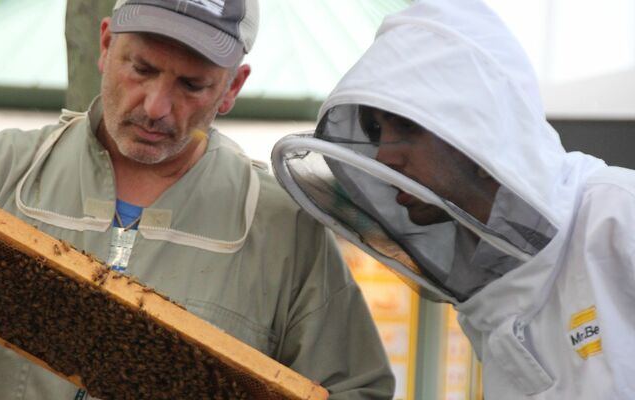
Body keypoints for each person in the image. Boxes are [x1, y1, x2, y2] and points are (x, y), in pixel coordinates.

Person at [0, 0, 395, 399]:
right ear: (105, 45)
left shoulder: (284, 227)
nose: (155, 105)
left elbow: (354, 387)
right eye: (141, 68)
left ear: (232, 88)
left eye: (191, 85)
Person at [271, 0, 635, 399]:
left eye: (407, 126)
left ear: (480, 128)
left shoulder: (618, 214)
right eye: (376, 131)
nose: (383, 156)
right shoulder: (486, 281)